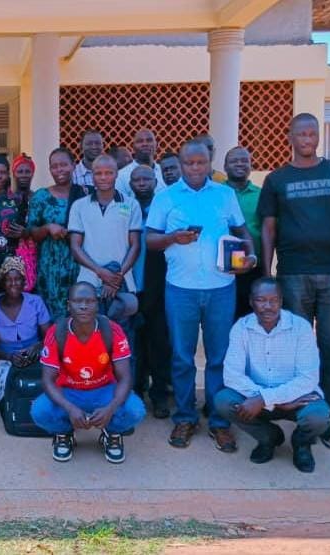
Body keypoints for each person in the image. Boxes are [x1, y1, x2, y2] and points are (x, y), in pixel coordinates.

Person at [259, 112, 330, 451]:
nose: (307, 138)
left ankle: (327, 420)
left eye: (312, 133)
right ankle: (304, 417)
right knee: (298, 352)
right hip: (292, 275)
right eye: (301, 133)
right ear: (290, 137)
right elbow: (268, 229)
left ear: (318, 137)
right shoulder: (276, 179)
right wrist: (267, 274)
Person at [146, 140, 257, 452]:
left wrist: (250, 255)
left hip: (221, 288)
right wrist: (173, 238)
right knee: (182, 357)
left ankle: (219, 422)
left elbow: (242, 232)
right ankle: (185, 416)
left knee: (218, 357)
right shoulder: (165, 197)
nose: (195, 168)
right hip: (180, 289)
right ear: (180, 164)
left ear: (210, 162)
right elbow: (150, 240)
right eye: (189, 163)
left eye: (201, 163)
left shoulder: (224, 194)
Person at [214, 278, 330, 473]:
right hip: (257, 397)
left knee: (319, 416)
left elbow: (308, 378)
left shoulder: (301, 328)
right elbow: (232, 376)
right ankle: (269, 437)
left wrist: (265, 399)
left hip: (295, 400)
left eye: (273, 300)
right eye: (261, 300)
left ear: (281, 301)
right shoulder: (241, 328)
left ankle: (301, 443)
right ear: (251, 301)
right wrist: (267, 400)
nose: (268, 306)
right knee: (223, 401)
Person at [30, 282, 146, 463]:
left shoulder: (112, 330)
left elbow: (125, 377)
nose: (83, 306)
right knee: (39, 411)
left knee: (136, 410)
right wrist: (69, 408)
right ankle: (64, 433)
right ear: (69, 305)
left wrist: (111, 408)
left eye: (89, 301)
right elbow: (47, 380)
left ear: (97, 304)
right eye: (78, 301)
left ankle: (112, 433)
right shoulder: (57, 332)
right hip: (69, 392)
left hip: (104, 390)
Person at [68, 154, 142, 329]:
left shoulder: (131, 205)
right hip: (88, 282)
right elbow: (75, 246)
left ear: (116, 174)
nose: (103, 177)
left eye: (108, 173)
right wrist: (100, 272)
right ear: (92, 175)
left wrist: (116, 277)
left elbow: (135, 245)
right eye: (98, 173)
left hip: (122, 283)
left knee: (122, 335)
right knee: (92, 334)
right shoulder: (79, 206)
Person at [128, 165, 172, 418]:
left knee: (159, 344)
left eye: (147, 178)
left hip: (160, 287)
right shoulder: (125, 208)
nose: (142, 183)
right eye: (137, 179)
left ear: (156, 181)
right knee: (134, 345)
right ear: (130, 184)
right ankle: (135, 392)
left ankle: (160, 396)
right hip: (131, 288)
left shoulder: (164, 207)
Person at [28, 148, 84, 319]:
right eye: (54, 166)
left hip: (81, 266)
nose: (59, 170)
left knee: (80, 314)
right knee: (53, 320)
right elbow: (31, 232)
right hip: (50, 271)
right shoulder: (41, 197)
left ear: (73, 165)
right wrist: (47, 228)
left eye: (64, 165)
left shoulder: (85, 194)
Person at [0, 257, 52, 402]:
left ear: (24, 281)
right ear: (2, 282)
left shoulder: (35, 302)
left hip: (35, 353)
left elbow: (49, 337)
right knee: (1, 376)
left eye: (18, 279)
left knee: (50, 373)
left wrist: (36, 347)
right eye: (8, 280)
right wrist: (10, 357)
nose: (13, 284)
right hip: (6, 357)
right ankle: (10, 408)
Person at [224, 147, 263, 318]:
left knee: (251, 319)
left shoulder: (261, 195)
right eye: (234, 161)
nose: (240, 164)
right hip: (221, 269)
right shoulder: (217, 194)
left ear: (251, 165)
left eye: (244, 160)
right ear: (225, 166)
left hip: (252, 266)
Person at [0, 154, 24, 288]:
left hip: (12, 261)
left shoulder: (18, 199)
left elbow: (26, 227)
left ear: (8, 174)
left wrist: (24, 232)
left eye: (3, 172)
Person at [11, 153, 39, 293]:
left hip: (34, 254)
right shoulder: (7, 199)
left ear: (32, 173)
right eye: (20, 171)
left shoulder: (38, 198)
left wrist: (28, 233)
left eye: (27, 171)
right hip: (11, 251)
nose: (23, 175)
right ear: (14, 173)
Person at [115, 129, 167, 196]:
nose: (145, 144)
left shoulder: (164, 172)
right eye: (140, 141)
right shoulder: (121, 176)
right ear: (133, 146)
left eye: (149, 140)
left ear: (156, 145)